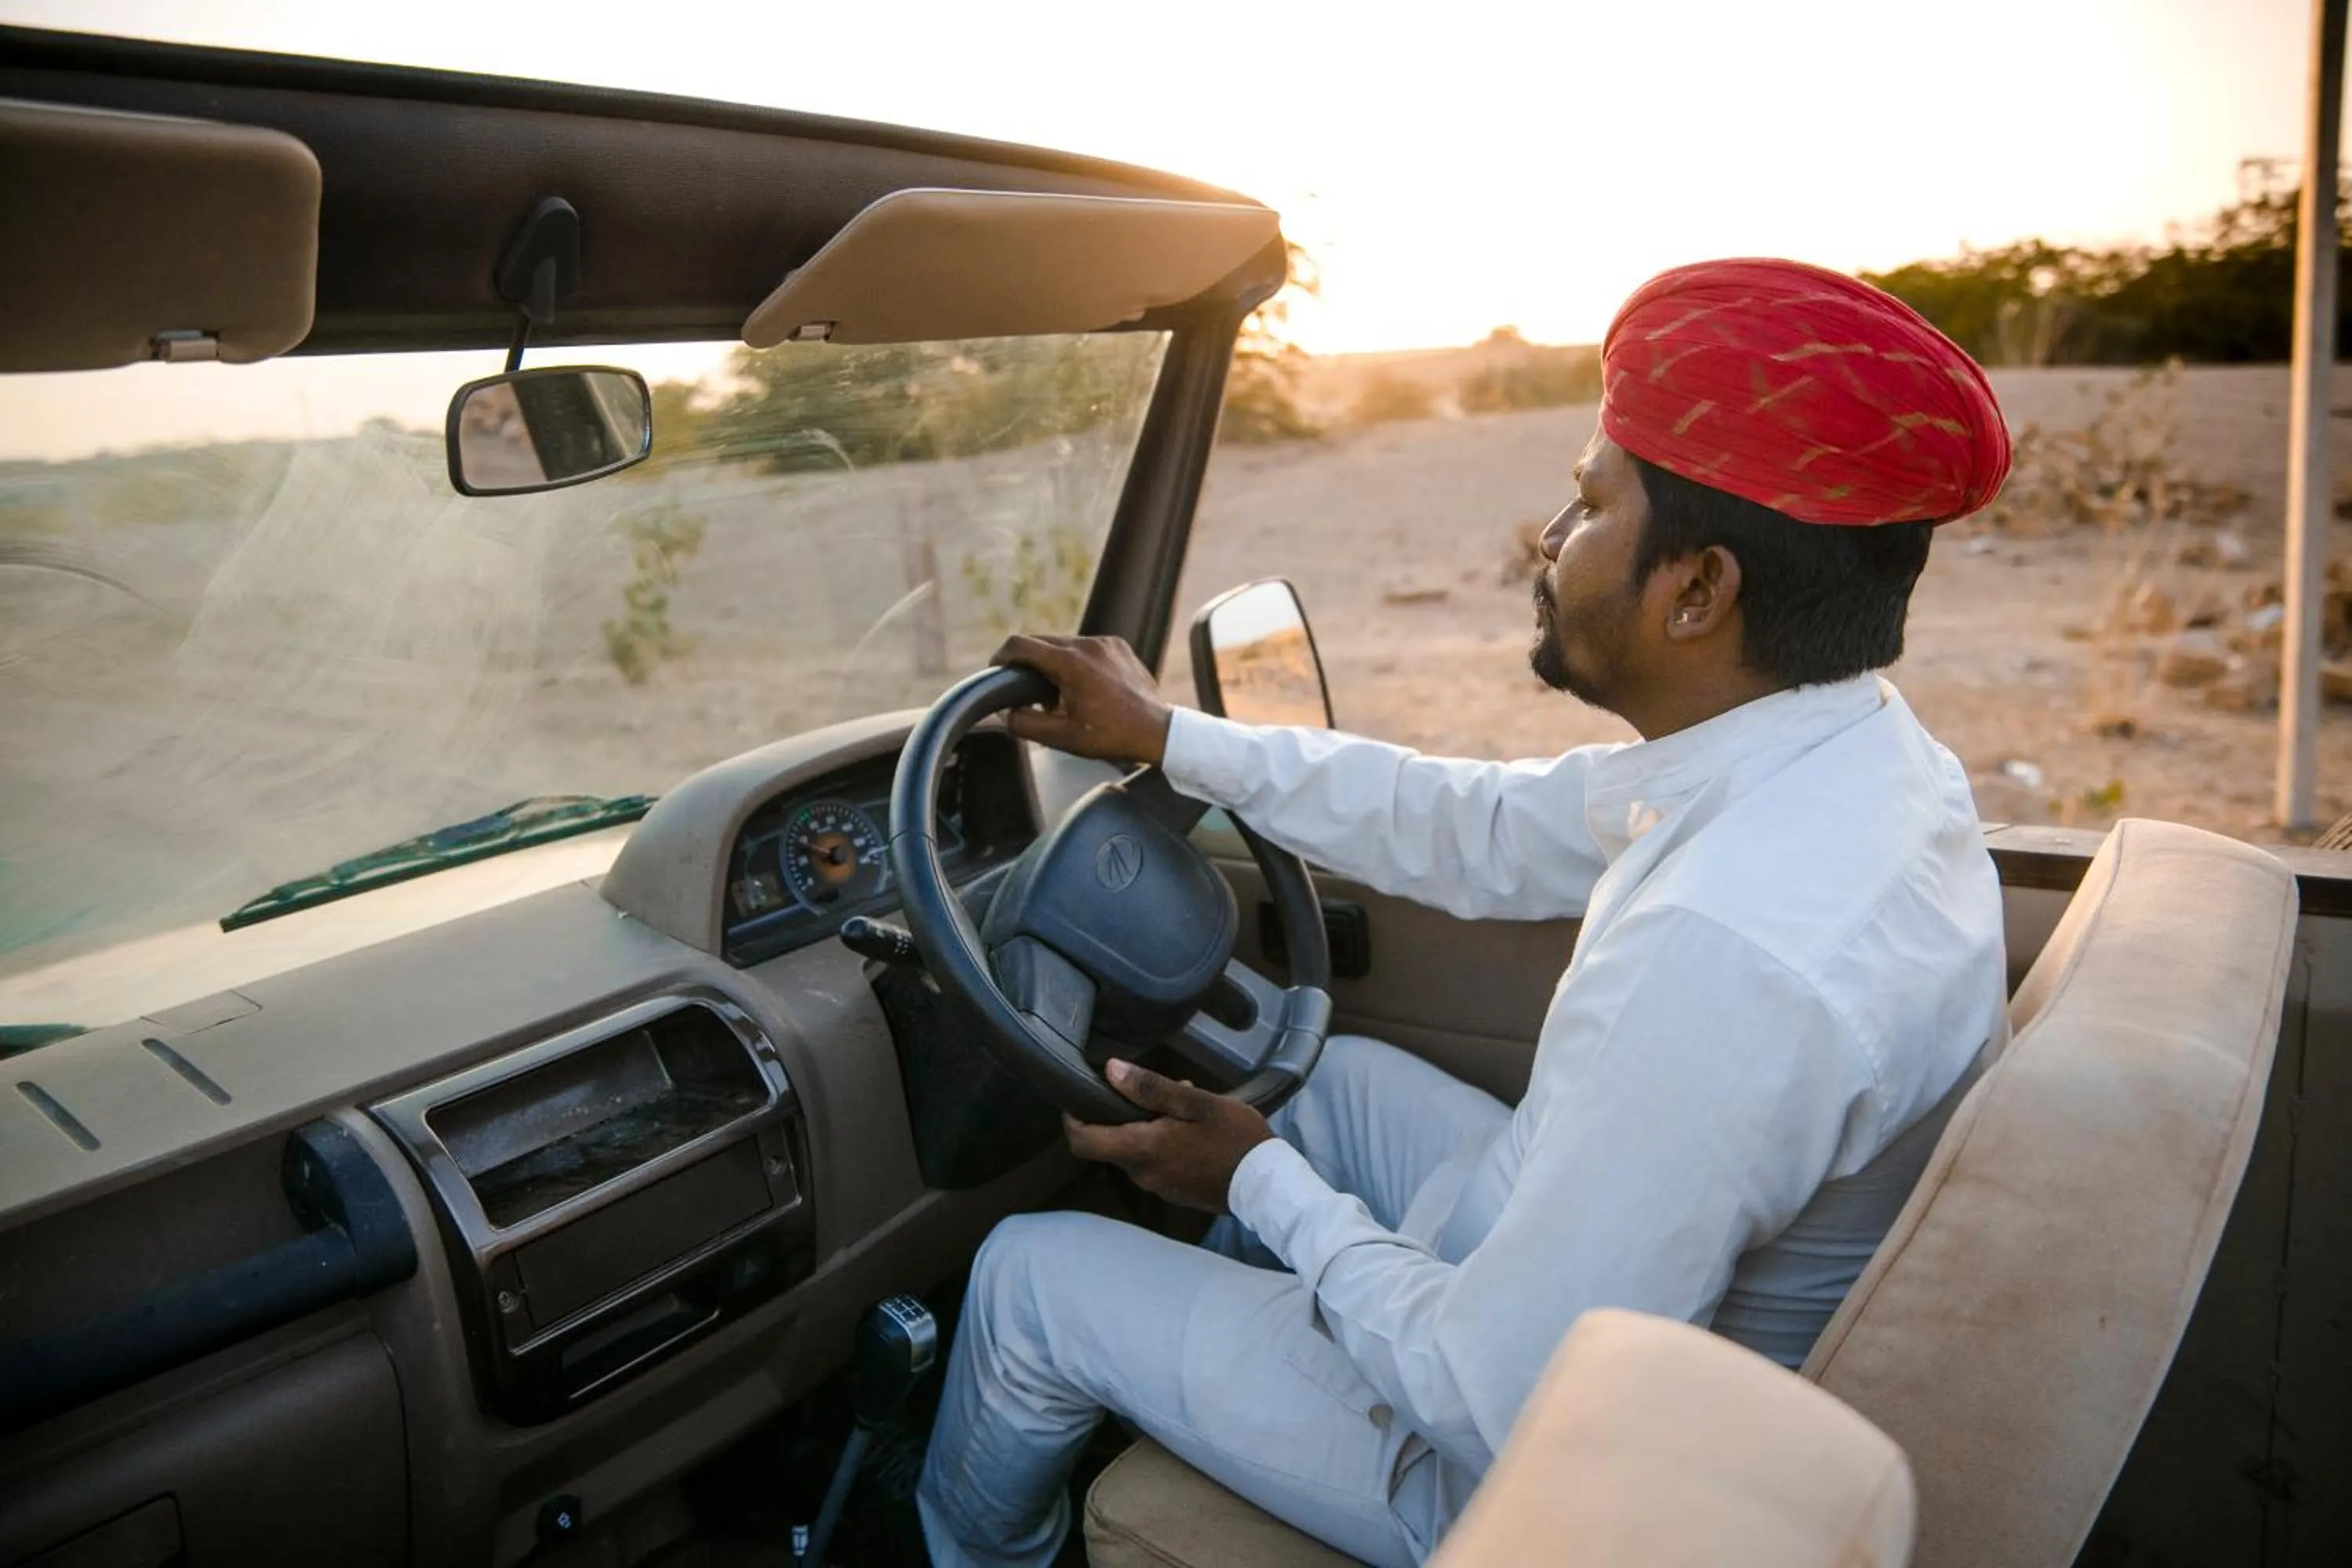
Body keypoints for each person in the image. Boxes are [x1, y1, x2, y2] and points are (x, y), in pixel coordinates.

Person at [917, 258, 2014, 1568]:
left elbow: (1500, 1407)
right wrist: (1170, 736)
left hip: (1562, 1476)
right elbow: (1483, 827)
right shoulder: (1844, 755)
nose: (1547, 541)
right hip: (1599, 1308)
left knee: (1030, 1275)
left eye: (1588, 504)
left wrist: (1254, 1181)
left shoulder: (1726, 957)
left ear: (1698, 591)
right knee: (1331, 1080)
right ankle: (1249, 1351)